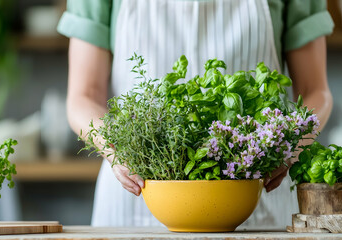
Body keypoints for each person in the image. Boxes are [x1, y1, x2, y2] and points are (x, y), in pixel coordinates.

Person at [57, 0, 334, 229]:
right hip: (133, 201)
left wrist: (290, 143)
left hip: (258, 199)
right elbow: (83, 97)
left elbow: (316, 91)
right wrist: (115, 148)